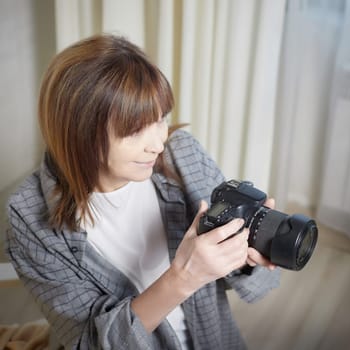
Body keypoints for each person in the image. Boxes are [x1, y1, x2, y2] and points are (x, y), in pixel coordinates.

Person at [4, 34, 280, 349]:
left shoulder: (181, 155)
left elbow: (255, 284)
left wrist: (243, 256)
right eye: (135, 131)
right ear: (81, 134)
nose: (158, 143)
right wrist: (183, 278)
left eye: (160, 119)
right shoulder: (29, 216)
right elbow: (88, 343)